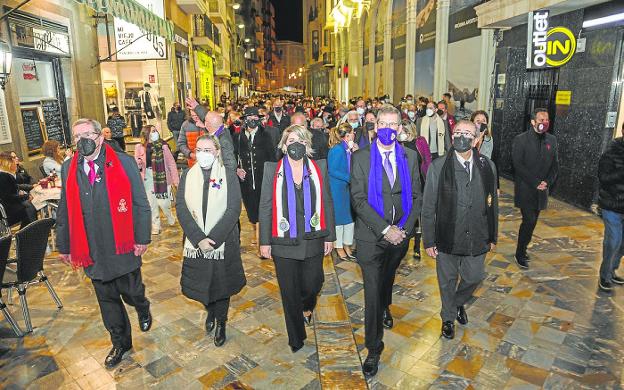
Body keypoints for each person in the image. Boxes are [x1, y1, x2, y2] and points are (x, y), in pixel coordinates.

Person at [56, 118, 152, 369]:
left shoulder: (124, 162)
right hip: (92, 248)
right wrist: (64, 245)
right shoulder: (69, 168)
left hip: (122, 244)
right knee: (107, 299)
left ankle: (142, 306)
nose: (83, 141)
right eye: (77, 137)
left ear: (100, 137)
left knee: (131, 291)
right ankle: (120, 342)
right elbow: (65, 209)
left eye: (87, 134)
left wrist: (142, 238)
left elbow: (141, 203)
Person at [350, 105, 422, 377]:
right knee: (371, 290)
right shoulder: (361, 158)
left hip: (400, 236)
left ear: (400, 128)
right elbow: (357, 199)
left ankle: (385, 305)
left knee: (387, 279)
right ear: (376, 126)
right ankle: (373, 347)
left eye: (393, 125)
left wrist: (402, 229)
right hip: (370, 237)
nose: (388, 130)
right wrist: (384, 229)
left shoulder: (410, 157)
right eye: (383, 124)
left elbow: (417, 196)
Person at [259, 125, 335, 353]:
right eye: (291, 140)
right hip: (283, 241)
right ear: (284, 144)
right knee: (288, 290)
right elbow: (265, 206)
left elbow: (328, 202)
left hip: (313, 237)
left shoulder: (319, 167)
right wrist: (264, 241)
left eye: (300, 141)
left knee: (314, 283)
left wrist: (330, 235)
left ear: (307, 145)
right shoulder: (272, 169)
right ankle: (296, 337)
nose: (295, 144)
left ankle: (307, 306)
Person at [422, 120, 499, 339]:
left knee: (474, 277)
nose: (461, 137)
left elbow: (492, 204)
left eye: (467, 133)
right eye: (457, 133)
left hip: (477, 235)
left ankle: (457, 303)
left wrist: (492, 235)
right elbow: (428, 206)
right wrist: (429, 240)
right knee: (446, 280)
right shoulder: (438, 166)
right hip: (447, 236)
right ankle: (448, 317)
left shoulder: (487, 166)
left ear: (476, 140)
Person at [176, 135, 246, 346]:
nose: (203, 154)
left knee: (221, 284)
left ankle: (221, 320)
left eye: (208, 150)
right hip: (196, 243)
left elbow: (234, 209)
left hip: (222, 241)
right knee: (202, 282)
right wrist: (199, 239)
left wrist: (213, 239)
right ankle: (210, 310)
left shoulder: (228, 175)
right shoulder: (188, 175)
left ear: (217, 152)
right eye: (199, 150)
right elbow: (181, 208)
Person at [512, 108, 559, 269]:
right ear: (533, 122)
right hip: (526, 188)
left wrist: (547, 182)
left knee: (533, 222)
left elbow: (555, 165)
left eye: (546, 120)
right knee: (529, 220)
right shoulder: (521, 139)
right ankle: (520, 253)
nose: (544, 123)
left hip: (542, 190)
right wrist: (535, 182)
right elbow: (518, 165)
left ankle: (523, 248)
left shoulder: (551, 140)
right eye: (541, 120)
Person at [234, 107, 276, 255]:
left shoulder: (267, 135)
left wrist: (272, 177)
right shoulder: (238, 136)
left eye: (255, 117)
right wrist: (237, 169)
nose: (253, 120)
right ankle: (256, 233)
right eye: (250, 117)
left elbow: (272, 157)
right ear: (245, 119)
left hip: (263, 180)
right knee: (252, 212)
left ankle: (261, 244)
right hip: (245, 181)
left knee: (262, 212)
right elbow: (234, 156)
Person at [134, 125, 179, 235]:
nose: (155, 133)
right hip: (148, 176)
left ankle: (169, 215)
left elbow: (171, 163)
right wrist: (138, 163)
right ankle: (156, 225)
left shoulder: (163, 146)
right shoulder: (139, 147)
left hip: (162, 177)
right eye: (153, 131)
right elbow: (137, 164)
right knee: (152, 203)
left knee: (163, 202)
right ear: (147, 134)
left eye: (156, 131)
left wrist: (176, 180)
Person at [399, 120, 432, 260]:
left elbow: (428, 159)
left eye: (405, 132)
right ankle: (401, 242)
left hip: (419, 181)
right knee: (402, 212)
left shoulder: (420, 141)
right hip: (401, 183)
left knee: (417, 213)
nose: (403, 134)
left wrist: (430, 177)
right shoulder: (396, 143)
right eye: (401, 131)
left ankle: (417, 245)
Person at [597, 134, 624, 291]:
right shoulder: (611, 152)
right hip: (612, 206)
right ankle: (605, 276)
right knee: (613, 242)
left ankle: (611, 270)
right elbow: (604, 178)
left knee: (622, 244)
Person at [327, 122, 357, 261]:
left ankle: (347, 244)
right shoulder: (337, 149)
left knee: (349, 218)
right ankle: (338, 246)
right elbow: (332, 170)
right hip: (337, 188)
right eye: (352, 133)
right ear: (346, 135)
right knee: (339, 219)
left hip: (346, 188)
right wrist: (349, 178)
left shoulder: (348, 148)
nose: (354, 135)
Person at [186, 98, 237, 170]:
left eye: (205, 121)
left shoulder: (223, 141)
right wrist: (197, 107)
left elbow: (231, 165)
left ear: (208, 124)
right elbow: (208, 117)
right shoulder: (221, 129)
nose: (202, 121)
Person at [0, 152, 37, 228]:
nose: (14, 161)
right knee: (29, 206)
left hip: (7, 206)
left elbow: (15, 187)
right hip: (6, 210)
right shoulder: (3, 176)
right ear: (7, 162)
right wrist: (25, 197)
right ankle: (34, 231)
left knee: (29, 205)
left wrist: (26, 191)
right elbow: (8, 198)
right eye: (12, 159)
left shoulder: (4, 174)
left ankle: (29, 232)